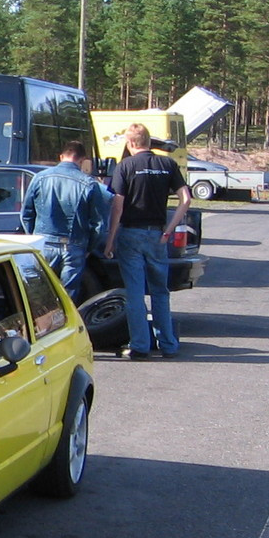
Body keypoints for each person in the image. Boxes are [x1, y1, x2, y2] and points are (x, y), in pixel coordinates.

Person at [105, 123, 191, 360]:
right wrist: (169, 229)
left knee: (134, 293)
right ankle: (168, 345)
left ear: (131, 143)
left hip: (131, 233)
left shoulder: (125, 166)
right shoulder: (168, 164)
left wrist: (110, 239)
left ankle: (140, 346)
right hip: (157, 235)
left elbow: (118, 205)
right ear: (148, 142)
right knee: (160, 292)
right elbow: (186, 198)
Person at [20, 140, 111, 298]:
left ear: (61, 156)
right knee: (67, 297)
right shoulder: (89, 183)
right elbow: (99, 224)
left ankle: (42, 323)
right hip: (74, 245)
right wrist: (89, 247)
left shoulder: (40, 178)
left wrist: (34, 237)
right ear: (82, 160)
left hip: (44, 240)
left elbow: (27, 213)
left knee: (41, 295)